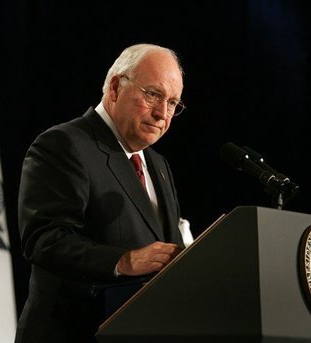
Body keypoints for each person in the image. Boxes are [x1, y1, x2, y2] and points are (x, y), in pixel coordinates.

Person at [15, 43, 189, 343]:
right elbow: (44, 240)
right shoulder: (63, 145)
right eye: (153, 94)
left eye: (173, 103)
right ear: (114, 87)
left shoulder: (159, 165)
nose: (162, 113)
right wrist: (123, 260)